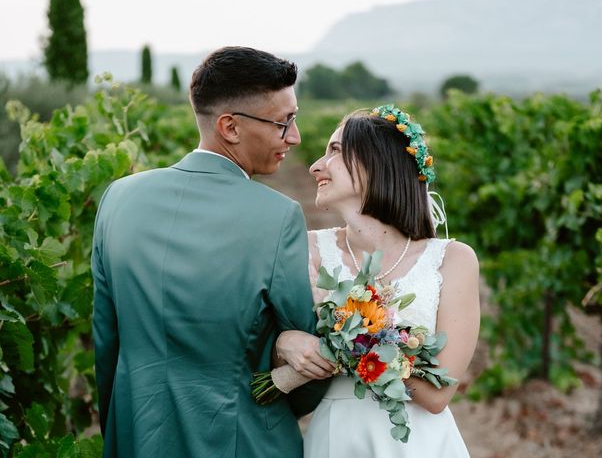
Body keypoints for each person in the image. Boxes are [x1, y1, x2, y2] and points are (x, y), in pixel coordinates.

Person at [91, 46, 332, 458]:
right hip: (244, 439)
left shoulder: (117, 198)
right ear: (230, 127)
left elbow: (106, 339)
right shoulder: (277, 217)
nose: (295, 136)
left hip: (137, 433)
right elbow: (308, 363)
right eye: (284, 122)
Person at [274, 105, 480, 457]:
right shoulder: (306, 250)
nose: (315, 166)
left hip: (418, 444)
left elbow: (437, 394)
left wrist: (351, 341)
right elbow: (271, 362)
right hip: (336, 439)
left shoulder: (453, 260)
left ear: (377, 163)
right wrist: (283, 343)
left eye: (335, 150)